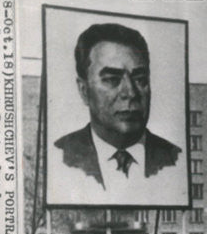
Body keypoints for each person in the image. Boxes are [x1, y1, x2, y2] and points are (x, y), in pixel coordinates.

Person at [51, 22, 184, 206]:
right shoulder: (59, 157)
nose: (130, 92)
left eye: (140, 79)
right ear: (84, 91)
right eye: (112, 79)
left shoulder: (176, 159)